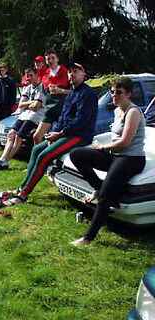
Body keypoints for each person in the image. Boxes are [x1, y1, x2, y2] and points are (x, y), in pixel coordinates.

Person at [5, 63, 98, 205]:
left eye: (76, 71)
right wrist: (54, 133)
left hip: (79, 136)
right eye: (70, 72)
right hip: (65, 134)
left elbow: (81, 121)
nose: (71, 74)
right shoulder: (72, 93)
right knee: (36, 149)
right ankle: (21, 187)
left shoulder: (88, 94)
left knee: (44, 156)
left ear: (84, 75)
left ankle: (23, 195)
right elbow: (63, 117)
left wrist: (59, 134)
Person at [70, 77, 146, 246]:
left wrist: (103, 148)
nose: (114, 95)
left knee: (105, 195)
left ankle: (88, 238)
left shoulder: (133, 112)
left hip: (131, 158)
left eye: (119, 92)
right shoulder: (117, 110)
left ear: (129, 94)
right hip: (116, 155)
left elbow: (125, 142)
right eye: (112, 92)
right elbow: (115, 138)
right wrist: (102, 146)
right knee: (77, 155)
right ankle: (98, 188)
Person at [0, 67, 45, 171]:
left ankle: (4, 162)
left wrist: (29, 103)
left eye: (31, 75)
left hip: (35, 117)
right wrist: (31, 103)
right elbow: (20, 105)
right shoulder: (27, 88)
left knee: (18, 137)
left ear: (37, 75)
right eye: (27, 76)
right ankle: (2, 159)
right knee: (10, 134)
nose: (29, 78)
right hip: (24, 115)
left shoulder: (42, 87)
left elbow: (36, 106)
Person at [33, 49, 71, 144]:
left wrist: (60, 90)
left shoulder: (65, 72)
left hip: (63, 110)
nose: (50, 61)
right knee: (36, 137)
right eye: (48, 59)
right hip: (49, 110)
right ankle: (40, 157)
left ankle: (51, 157)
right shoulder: (45, 74)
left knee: (57, 140)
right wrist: (39, 101)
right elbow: (43, 91)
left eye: (52, 58)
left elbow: (74, 92)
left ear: (57, 59)